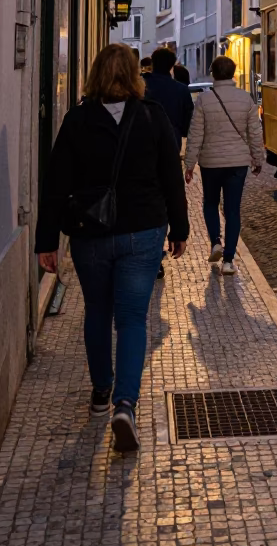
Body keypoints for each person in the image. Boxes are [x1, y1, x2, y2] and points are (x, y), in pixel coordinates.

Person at [35, 43, 188, 453]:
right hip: (143, 231)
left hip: (91, 234)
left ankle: (102, 392)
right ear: (135, 76)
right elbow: (171, 176)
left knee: (98, 312)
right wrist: (180, 228)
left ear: (95, 74)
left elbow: (55, 184)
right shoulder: (153, 117)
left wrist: (46, 241)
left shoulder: (78, 120)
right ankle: (126, 403)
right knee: (133, 319)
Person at [184, 55, 264, 275]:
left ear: (213, 74)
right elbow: (255, 133)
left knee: (210, 203)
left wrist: (189, 163)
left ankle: (215, 242)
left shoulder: (204, 100)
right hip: (238, 163)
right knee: (232, 210)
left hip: (210, 162)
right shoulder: (245, 99)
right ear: (233, 73)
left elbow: (195, 134)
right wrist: (258, 159)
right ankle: (228, 261)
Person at [143, 47, 194, 279]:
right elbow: (187, 125)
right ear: (173, 66)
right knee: (167, 197)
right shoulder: (181, 91)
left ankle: (147, 252)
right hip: (170, 149)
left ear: (152, 63)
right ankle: (156, 253)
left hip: (140, 150)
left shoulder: (141, 85)